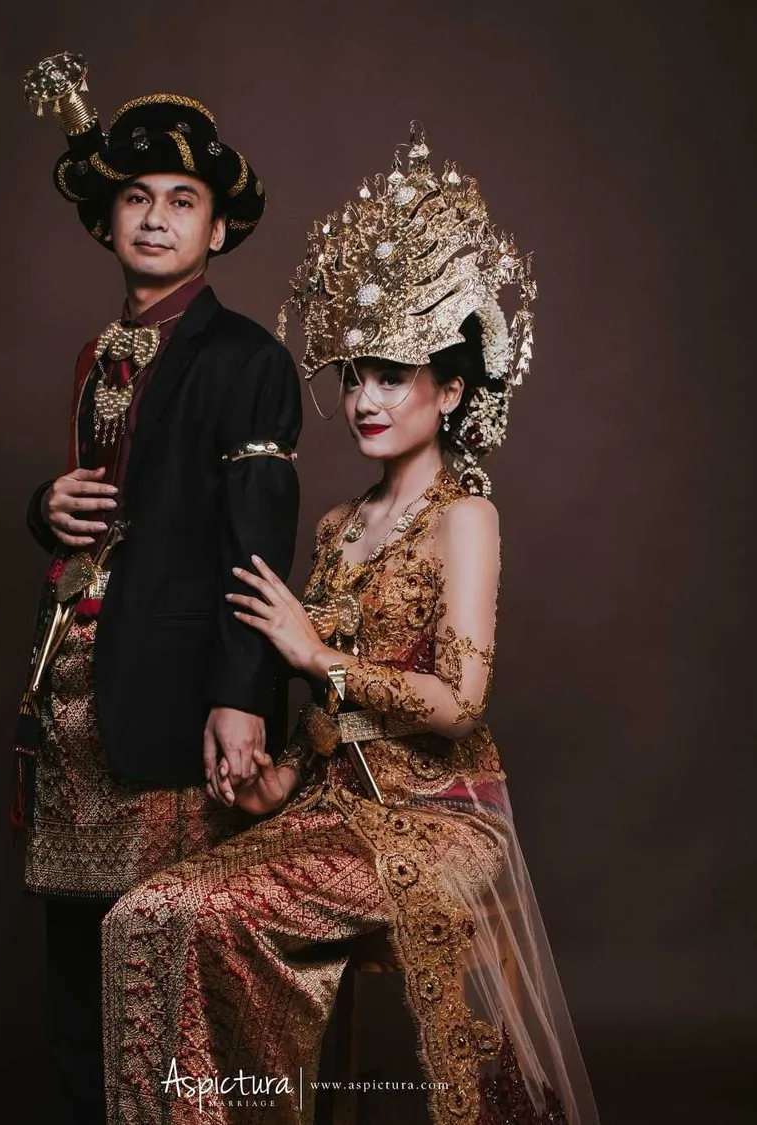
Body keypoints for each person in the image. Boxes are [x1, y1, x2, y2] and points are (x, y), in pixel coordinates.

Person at [101, 125, 599, 1124]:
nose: (364, 400)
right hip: (335, 808)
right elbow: (333, 725)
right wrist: (282, 775)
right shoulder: (337, 524)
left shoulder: (466, 517)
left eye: (392, 376)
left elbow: (459, 703)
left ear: (450, 389)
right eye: (354, 376)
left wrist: (314, 654)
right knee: (145, 914)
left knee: (195, 911)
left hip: (441, 820)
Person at [13, 54, 301, 1125]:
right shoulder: (99, 355)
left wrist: (240, 696)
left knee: (159, 960)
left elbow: (257, 543)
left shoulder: (246, 358)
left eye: (183, 201)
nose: (156, 217)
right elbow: (106, 507)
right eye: (137, 197)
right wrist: (44, 506)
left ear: (217, 230)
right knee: (72, 967)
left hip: (175, 697)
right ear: (108, 221)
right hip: (72, 698)